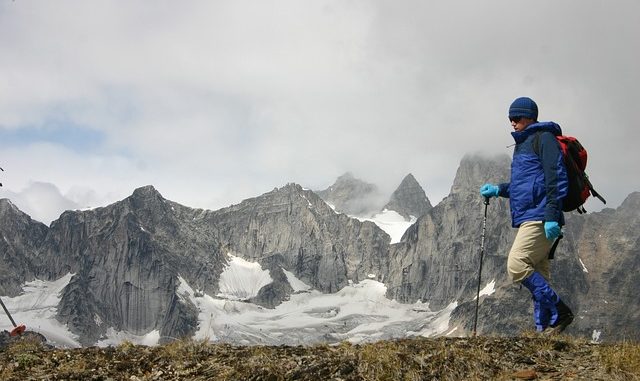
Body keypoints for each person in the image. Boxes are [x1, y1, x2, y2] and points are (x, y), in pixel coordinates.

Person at [480, 96, 574, 334]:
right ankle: (545, 330)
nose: (512, 122)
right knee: (539, 272)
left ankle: (561, 312)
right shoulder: (524, 145)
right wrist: (499, 189)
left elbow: (556, 178)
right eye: (510, 118)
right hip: (531, 215)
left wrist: (552, 214)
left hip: (541, 216)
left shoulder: (544, 139)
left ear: (530, 116)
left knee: (517, 264)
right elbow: (524, 187)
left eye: (517, 117)